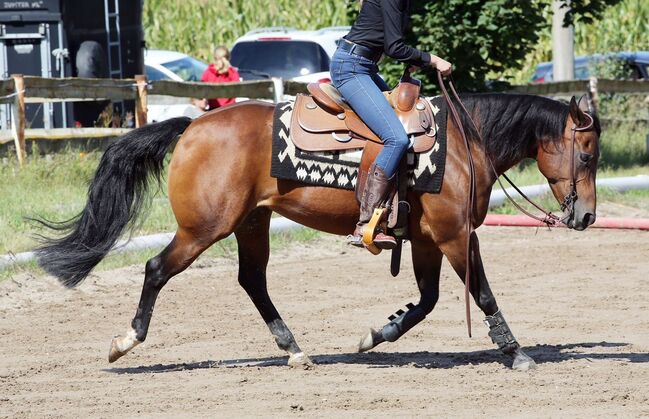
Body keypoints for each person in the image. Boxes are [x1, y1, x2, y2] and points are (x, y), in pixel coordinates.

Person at [330, 0, 452, 250]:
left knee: (404, 127)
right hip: (352, 69)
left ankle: (398, 212)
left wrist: (413, 57)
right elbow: (395, 47)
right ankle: (366, 223)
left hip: (365, 66)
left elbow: (388, 41)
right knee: (396, 138)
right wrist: (432, 59)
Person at [197, 45, 241, 110]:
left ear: (214, 58)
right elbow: (238, 90)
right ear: (228, 59)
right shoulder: (232, 73)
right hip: (230, 109)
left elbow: (202, 91)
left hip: (214, 110)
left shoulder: (208, 72)